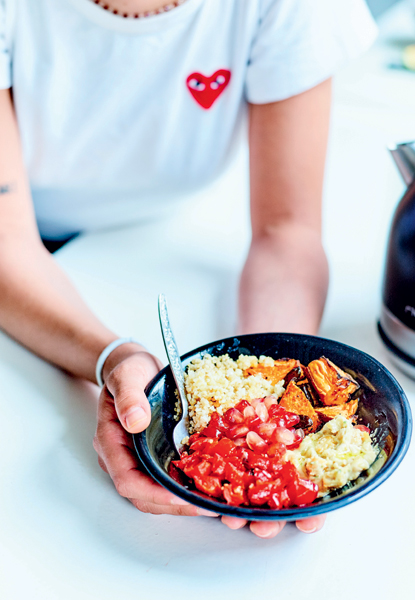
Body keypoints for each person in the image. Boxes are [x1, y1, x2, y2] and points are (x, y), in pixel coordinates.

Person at [0, 0, 377, 538]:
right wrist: (114, 358)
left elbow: (285, 232)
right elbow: (7, 238)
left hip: (171, 228)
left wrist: (273, 393)